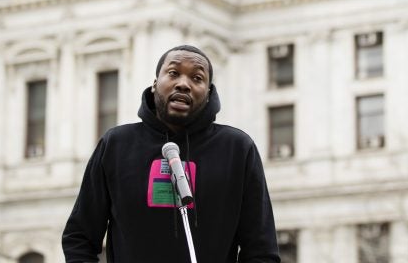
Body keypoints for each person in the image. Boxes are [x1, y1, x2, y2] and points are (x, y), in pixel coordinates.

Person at [63, 45, 280, 262]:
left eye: (197, 78)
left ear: (209, 93)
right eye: (174, 73)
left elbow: (261, 249)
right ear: (155, 84)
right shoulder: (116, 145)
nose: (183, 84)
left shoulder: (237, 149)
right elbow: (79, 237)